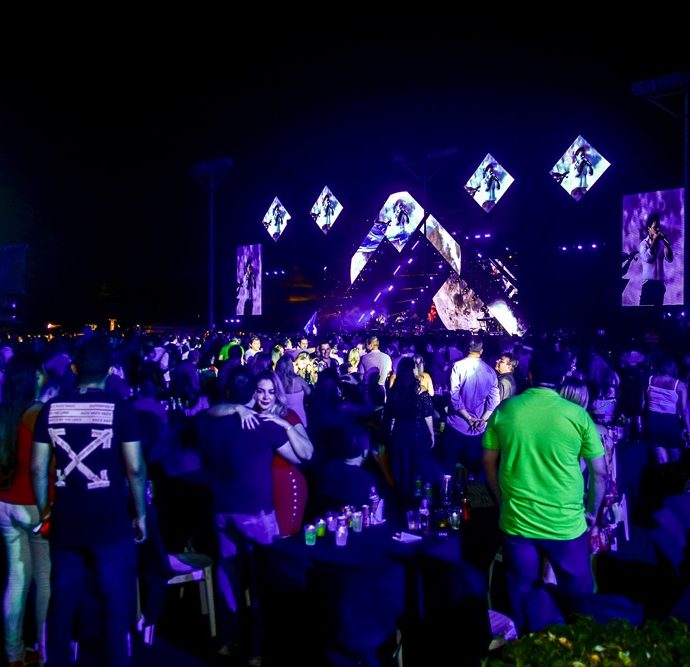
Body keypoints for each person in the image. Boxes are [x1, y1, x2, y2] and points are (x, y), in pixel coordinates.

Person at [32, 335, 147, 667]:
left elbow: (37, 467)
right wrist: (141, 513)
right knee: (115, 598)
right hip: (110, 519)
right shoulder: (121, 409)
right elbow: (135, 468)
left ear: (73, 369)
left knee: (63, 598)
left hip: (67, 518)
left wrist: (45, 509)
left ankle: (57, 661)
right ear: (110, 371)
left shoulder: (51, 409)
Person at [482, 347, 606, 635]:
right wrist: (591, 513)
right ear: (561, 379)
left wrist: (500, 501)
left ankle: (527, 646)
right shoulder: (577, 415)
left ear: (529, 375)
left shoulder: (505, 410)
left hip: (518, 521)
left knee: (521, 593)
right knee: (579, 595)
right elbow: (600, 473)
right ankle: (578, 645)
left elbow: (487, 463)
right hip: (566, 523)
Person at [198, 366, 313, 658]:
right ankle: (258, 651)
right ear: (252, 393)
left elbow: (208, 412)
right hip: (256, 513)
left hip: (221, 511)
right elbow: (302, 455)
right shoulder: (263, 425)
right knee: (262, 579)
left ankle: (228, 640)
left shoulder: (206, 422)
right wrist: (284, 426)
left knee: (228, 576)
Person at [0, 353, 51, 667]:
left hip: (4, 503)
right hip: (33, 504)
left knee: (16, 580)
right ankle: (46, 652)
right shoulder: (38, 414)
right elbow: (41, 467)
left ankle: (13, 653)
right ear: (34, 377)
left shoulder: (3, 412)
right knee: (44, 581)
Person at [441, 336, 500, 479]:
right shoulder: (490, 371)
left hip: (456, 425)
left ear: (466, 349)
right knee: (474, 473)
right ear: (481, 351)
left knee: (448, 469)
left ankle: (448, 492)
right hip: (477, 429)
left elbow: (454, 396)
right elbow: (494, 401)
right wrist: (482, 420)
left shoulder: (457, 366)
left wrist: (468, 417)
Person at [639, 213, 673, 306]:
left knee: (658, 312)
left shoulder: (661, 244)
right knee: (644, 312)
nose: (658, 229)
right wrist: (654, 241)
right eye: (655, 227)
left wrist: (667, 245)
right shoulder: (643, 244)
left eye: (658, 227)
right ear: (649, 228)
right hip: (648, 285)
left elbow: (670, 259)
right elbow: (648, 258)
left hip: (660, 286)